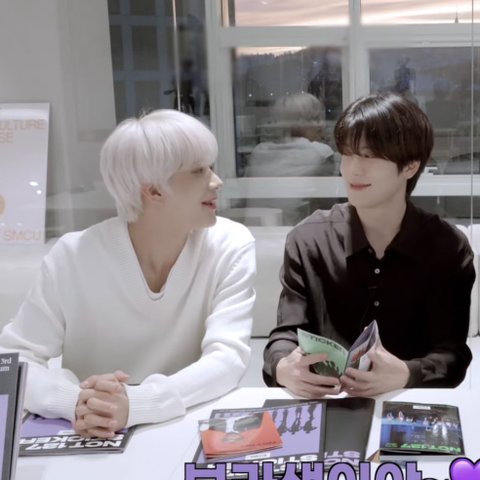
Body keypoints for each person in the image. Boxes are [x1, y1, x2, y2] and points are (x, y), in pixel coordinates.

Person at [0, 109, 256, 438]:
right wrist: (74, 401)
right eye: (198, 171)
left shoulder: (230, 245)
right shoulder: (73, 256)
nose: (216, 181)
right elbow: (14, 357)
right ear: (154, 191)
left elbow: (228, 359)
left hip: (184, 431)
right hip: (91, 437)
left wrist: (136, 404)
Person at [263, 92, 474, 398]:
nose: (353, 169)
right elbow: (285, 335)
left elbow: (452, 355)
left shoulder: (446, 246)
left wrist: (407, 373)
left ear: (410, 166)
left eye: (369, 156)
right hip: (328, 403)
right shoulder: (309, 239)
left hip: (407, 402)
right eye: (347, 154)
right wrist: (284, 367)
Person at [245, 92, 336, 225]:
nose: (321, 125)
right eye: (316, 118)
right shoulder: (321, 152)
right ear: (302, 123)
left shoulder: (258, 151)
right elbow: (329, 208)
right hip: (295, 232)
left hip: (255, 230)